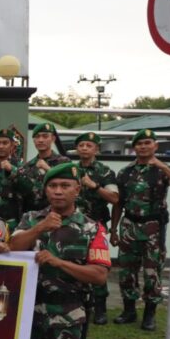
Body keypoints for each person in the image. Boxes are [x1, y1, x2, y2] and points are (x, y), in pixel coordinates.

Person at [1, 162, 110, 339]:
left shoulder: (92, 228)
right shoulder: (30, 219)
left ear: (77, 190)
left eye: (65, 186)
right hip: (27, 314)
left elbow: (99, 275)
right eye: (52, 186)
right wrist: (40, 228)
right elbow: (12, 246)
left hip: (67, 315)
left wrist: (59, 262)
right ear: (45, 190)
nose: (58, 191)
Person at [111, 129, 170, 330]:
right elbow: (118, 203)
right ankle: (129, 310)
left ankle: (149, 314)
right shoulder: (125, 172)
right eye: (139, 143)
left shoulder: (162, 169)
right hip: (129, 225)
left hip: (153, 227)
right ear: (134, 147)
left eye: (148, 142)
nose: (143, 146)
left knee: (152, 271)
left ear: (155, 146)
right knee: (126, 270)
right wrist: (113, 230)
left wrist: (163, 166)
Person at [73, 132, 118, 325]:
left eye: (89, 145)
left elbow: (114, 198)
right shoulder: (71, 169)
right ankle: (79, 306)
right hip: (74, 226)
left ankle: (100, 309)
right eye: (81, 145)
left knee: (98, 264)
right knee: (75, 263)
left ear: (96, 149)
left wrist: (94, 186)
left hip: (97, 226)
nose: (84, 148)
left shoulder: (105, 172)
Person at [17, 123, 70, 213]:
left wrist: (49, 169)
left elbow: (68, 185)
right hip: (33, 215)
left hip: (56, 212)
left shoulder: (64, 162)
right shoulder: (28, 165)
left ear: (53, 139)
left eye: (45, 136)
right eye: (37, 137)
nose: (41, 140)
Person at [0, 128, 24, 231]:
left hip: (14, 222)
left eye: (5, 143)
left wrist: (13, 170)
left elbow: (28, 190)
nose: (1, 146)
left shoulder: (21, 167)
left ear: (12, 146)